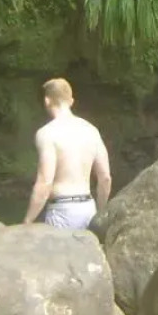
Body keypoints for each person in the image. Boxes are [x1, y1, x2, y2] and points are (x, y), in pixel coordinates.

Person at [22, 78, 112, 230]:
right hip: (88, 208)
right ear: (71, 101)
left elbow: (45, 182)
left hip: (61, 211)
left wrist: (27, 221)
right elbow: (105, 178)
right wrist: (100, 214)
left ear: (47, 101)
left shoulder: (47, 133)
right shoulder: (91, 130)